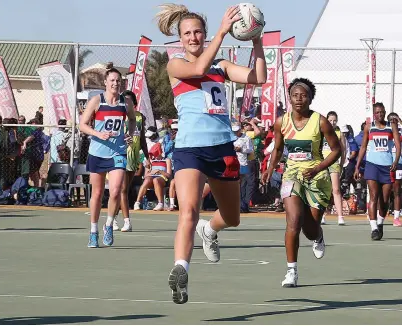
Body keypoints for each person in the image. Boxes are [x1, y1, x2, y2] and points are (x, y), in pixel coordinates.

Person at [156, 3, 267, 303]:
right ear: (180, 39)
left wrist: (256, 40)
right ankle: (181, 269)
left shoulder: (222, 66)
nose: (193, 37)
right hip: (189, 149)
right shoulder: (176, 65)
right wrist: (222, 31)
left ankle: (211, 230)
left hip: (221, 148)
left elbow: (258, 78)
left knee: (232, 217)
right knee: (188, 210)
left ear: (203, 35)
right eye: (187, 33)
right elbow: (198, 69)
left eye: (197, 32)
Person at [262, 78, 341, 287]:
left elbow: (336, 150)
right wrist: (270, 169)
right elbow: (278, 149)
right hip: (292, 175)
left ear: (310, 98)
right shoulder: (282, 122)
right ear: (289, 97)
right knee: (293, 220)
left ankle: (318, 236)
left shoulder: (320, 121)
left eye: (303, 95)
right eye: (295, 95)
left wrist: (317, 168)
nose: (299, 99)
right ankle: (291, 271)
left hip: (316, 177)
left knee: (310, 229)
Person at [79, 68, 136, 248]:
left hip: (118, 152)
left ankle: (109, 224)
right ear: (105, 82)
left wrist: (129, 134)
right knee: (96, 193)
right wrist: (98, 133)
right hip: (98, 153)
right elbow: (82, 125)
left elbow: (133, 120)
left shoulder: (125, 102)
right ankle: (93, 231)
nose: (115, 83)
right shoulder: (97, 101)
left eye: (118, 81)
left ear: (122, 83)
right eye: (112, 80)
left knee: (116, 190)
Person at [354, 103, 400, 240]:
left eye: (382, 112)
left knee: (384, 200)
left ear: (385, 112)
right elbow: (363, 147)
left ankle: (380, 223)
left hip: (387, 166)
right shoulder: (369, 127)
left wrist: (395, 161)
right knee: (374, 195)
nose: (380, 114)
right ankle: (373, 228)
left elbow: (398, 145)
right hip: (372, 165)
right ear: (374, 114)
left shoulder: (391, 126)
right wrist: (357, 166)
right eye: (377, 112)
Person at [113, 90, 150, 232]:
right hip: (120, 154)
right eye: (124, 100)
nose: (126, 103)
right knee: (121, 189)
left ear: (134, 103)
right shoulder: (118, 116)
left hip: (133, 156)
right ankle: (127, 221)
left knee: (124, 190)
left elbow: (142, 139)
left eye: (129, 100)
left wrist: (147, 156)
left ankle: (114, 218)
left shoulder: (140, 118)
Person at [321, 111, 346, 225]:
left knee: (335, 189)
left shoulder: (339, 133)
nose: (332, 122)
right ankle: (322, 215)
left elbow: (343, 150)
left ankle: (340, 216)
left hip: (334, 162)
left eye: (334, 120)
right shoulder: (322, 131)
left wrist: (341, 164)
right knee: (323, 189)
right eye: (330, 120)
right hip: (323, 162)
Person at [387, 112, 402, 227]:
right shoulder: (385, 130)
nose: (393, 121)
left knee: (397, 190)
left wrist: (400, 121)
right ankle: (379, 215)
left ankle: (396, 217)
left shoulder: (400, 132)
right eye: (391, 119)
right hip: (385, 163)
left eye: (395, 119)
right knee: (384, 191)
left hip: (399, 164)